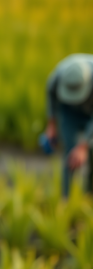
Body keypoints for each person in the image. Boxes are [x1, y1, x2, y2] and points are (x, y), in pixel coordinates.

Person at [44, 54, 93, 197]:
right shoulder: (57, 77)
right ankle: (66, 197)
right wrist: (51, 124)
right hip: (69, 111)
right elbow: (51, 97)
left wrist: (84, 145)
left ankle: (89, 194)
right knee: (70, 153)